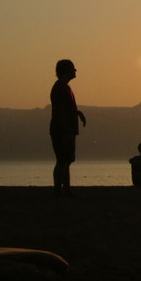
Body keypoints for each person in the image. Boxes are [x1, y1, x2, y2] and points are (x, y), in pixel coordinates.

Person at [49, 59, 86, 197]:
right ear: (66, 71)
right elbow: (59, 110)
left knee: (67, 160)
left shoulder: (65, 87)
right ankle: (58, 190)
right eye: (73, 68)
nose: (75, 71)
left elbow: (66, 107)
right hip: (62, 130)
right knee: (62, 160)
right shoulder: (59, 87)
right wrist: (65, 129)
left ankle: (66, 189)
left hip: (67, 129)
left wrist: (77, 113)